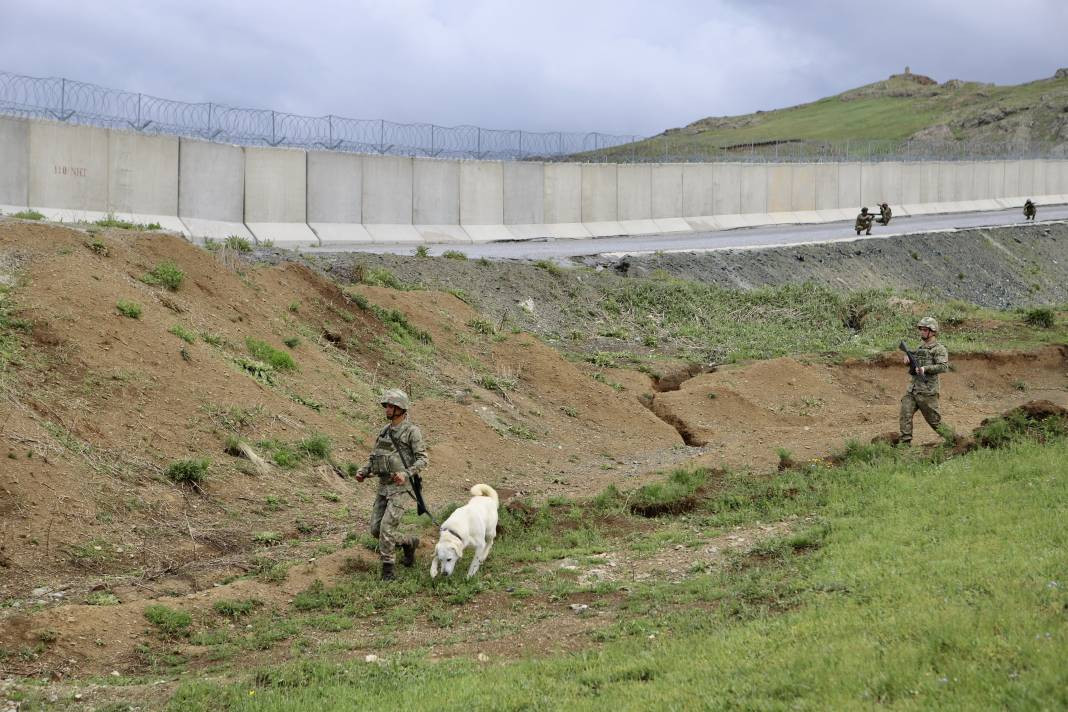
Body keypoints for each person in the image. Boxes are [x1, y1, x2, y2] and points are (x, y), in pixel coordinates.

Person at [354, 389, 428, 581]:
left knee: (386, 529)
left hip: (400, 489)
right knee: (375, 530)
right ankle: (408, 542)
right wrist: (363, 471)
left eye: (391, 406)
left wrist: (405, 473)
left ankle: (388, 571)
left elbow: (423, 459)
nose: (387, 409)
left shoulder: (411, 431)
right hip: (383, 486)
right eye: (386, 405)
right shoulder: (384, 431)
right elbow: (375, 456)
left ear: (401, 409)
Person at [899, 317, 953, 446]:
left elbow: (943, 367)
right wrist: (908, 361)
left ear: (933, 332)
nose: (922, 332)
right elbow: (915, 366)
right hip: (913, 389)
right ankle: (905, 443)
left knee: (934, 421)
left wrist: (925, 369)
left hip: (927, 392)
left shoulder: (939, 349)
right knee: (905, 414)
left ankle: (955, 439)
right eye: (921, 329)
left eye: (925, 330)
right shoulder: (920, 347)